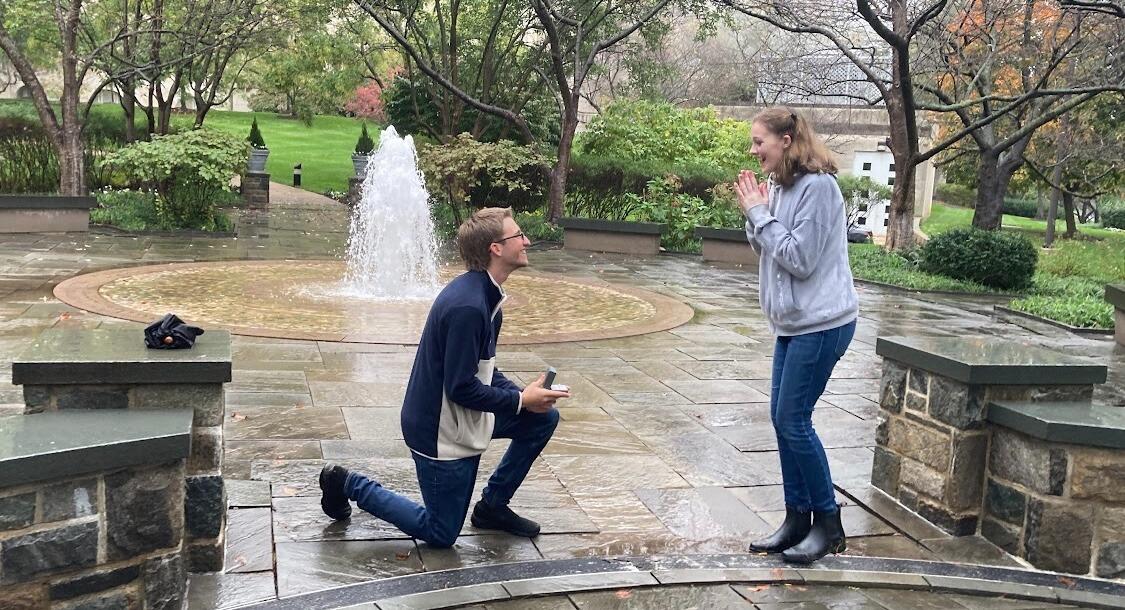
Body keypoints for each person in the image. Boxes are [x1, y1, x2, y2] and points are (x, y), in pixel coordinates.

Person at [318, 207, 571, 547]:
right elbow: (461, 387)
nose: (526, 241)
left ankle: (493, 507)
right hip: (437, 430)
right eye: (518, 236)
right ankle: (346, 483)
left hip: (461, 418)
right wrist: (520, 401)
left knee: (542, 419)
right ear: (495, 248)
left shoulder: (486, 296)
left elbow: (483, 370)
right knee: (441, 533)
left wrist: (523, 395)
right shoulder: (469, 307)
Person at [735, 107, 859, 564]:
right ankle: (796, 518)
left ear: (787, 140)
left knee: (794, 420)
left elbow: (799, 258)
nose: (753, 150)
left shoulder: (819, 189)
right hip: (791, 323)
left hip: (824, 323)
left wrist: (759, 214)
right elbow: (765, 247)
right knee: (781, 418)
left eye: (759, 141)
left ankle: (829, 524)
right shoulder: (778, 187)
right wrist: (756, 214)